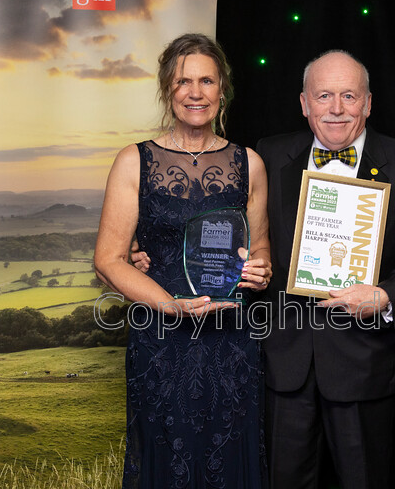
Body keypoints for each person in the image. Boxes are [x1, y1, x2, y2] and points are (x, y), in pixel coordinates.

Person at [256, 50, 395, 488]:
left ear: (368, 103)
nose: (337, 108)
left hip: (365, 364)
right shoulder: (267, 154)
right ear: (305, 103)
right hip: (284, 362)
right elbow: (238, 229)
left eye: (349, 96)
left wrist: (383, 296)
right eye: (324, 96)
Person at [94, 33, 272, 489]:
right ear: (167, 90)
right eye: (183, 82)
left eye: (207, 81)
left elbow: (260, 247)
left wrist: (261, 268)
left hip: (232, 340)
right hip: (162, 338)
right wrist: (170, 305)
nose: (195, 93)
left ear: (223, 89)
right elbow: (109, 261)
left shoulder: (249, 162)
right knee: (166, 454)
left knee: (228, 455)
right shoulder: (133, 161)